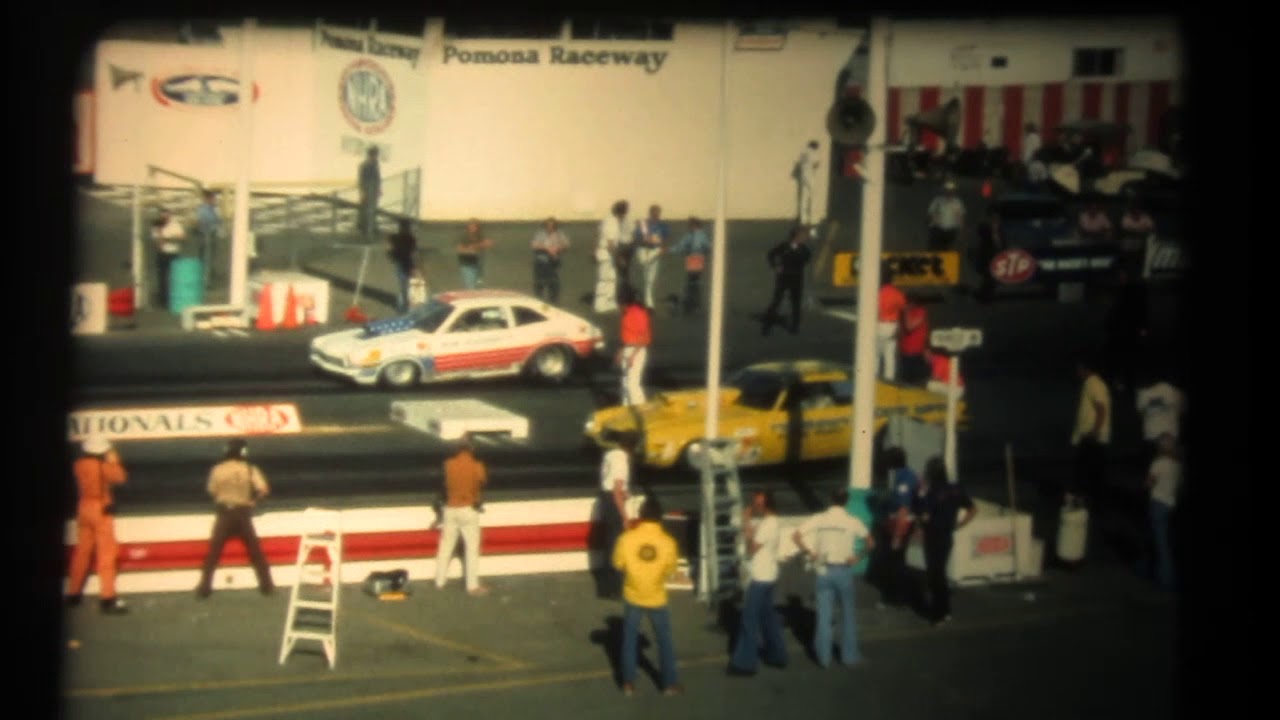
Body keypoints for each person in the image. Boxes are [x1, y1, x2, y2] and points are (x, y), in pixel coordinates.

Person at [792, 488, 873, 668]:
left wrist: (810, 552)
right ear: (846, 501)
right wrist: (858, 557)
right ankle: (849, 656)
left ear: (830, 499)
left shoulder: (820, 519)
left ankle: (824, 658)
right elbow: (870, 542)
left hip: (824, 570)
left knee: (823, 615)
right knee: (848, 614)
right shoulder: (852, 521)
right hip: (843, 569)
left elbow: (796, 536)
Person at [612, 494, 683, 696]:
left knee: (629, 638)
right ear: (659, 518)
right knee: (664, 640)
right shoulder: (668, 542)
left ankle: (628, 683)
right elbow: (671, 571)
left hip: (633, 594)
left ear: (640, 516)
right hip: (656, 597)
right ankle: (669, 684)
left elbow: (618, 564)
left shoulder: (626, 539)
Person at [195, 438, 276, 599]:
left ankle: (204, 588)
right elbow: (264, 489)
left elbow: (212, 491)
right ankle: (267, 586)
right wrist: (252, 501)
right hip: (243, 513)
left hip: (224, 513)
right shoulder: (250, 469)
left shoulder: (217, 469)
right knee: (255, 552)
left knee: (213, 553)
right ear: (243, 452)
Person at [66, 437, 130, 614]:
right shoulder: (104, 467)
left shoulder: (78, 465)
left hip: (83, 507)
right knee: (107, 554)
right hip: (101, 509)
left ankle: (73, 593)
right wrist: (115, 461)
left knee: (82, 552)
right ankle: (107, 598)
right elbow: (121, 477)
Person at [728, 490, 788, 676]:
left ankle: (745, 663)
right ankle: (777, 655)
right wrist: (750, 529)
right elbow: (756, 540)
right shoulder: (772, 522)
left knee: (749, 619)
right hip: (769, 574)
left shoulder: (768, 524)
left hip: (761, 577)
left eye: (757, 503)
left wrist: (746, 522)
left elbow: (751, 548)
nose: (755, 506)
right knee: (768, 617)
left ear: (765, 504)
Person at [911, 456, 976, 626]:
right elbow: (973, 509)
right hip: (947, 535)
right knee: (940, 573)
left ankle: (938, 613)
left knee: (935, 574)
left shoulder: (931, 491)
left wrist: (919, 495)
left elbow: (923, 514)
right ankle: (945, 610)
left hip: (933, 535)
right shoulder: (955, 489)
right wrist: (960, 524)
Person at [435, 433, 490, 596]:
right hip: (468, 509)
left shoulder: (448, 464)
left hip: (450, 508)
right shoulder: (477, 466)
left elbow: (443, 486)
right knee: (471, 549)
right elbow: (482, 483)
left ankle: (439, 581)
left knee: (445, 547)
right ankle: (472, 585)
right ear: (472, 448)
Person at [595, 430, 637, 599]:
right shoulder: (622, 461)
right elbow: (616, 491)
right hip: (614, 504)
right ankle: (616, 589)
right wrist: (625, 517)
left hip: (605, 499)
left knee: (610, 545)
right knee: (617, 547)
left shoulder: (611, 455)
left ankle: (607, 587)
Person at [876, 447, 919, 609]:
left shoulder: (904, 479)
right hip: (899, 524)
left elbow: (903, 509)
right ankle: (897, 596)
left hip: (899, 526)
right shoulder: (906, 474)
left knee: (895, 562)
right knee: (896, 561)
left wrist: (897, 536)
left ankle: (895, 597)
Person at [1069, 356, 1112, 511]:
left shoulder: (1093, 383)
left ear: (1084, 368)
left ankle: (1086, 507)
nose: (1078, 372)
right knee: (1092, 474)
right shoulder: (1093, 384)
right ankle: (1091, 506)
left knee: (1086, 475)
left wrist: (1095, 431)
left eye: (1079, 369)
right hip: (1091, 437)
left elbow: (1101, 408)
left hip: (1092, 438)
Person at [1143, 433, 1182, 591]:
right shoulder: (1177, 464)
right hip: (1170, 504)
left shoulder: (1158, 463)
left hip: (1158, 504)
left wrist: (1146, 483)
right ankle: (1146, 567)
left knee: (1160, 541)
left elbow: (1148, 484)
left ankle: (1165, 577)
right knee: (1156, 537)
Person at [761, 226, 812, 336]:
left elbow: (807, 258)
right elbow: (771, 254)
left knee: (796, 303)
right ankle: (767, 326)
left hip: (797, 277)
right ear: (796, 236)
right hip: (784, 277)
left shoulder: (803, 249)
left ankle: (795, 327)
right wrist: (775, 266)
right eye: (802, 236)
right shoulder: (784, 246)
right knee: (777, 300)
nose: (804, 238)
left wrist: (801, 263)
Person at [1103, 268, 1148, 393]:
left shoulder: (1131, 291)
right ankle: (1121, 381)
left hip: (1125, 330)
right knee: (1121, 357)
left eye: (1123, 275)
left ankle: (1124, 382)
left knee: (1126, 358)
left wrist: (1142, 327)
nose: (1121, 278)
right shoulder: (1124, 291)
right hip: (1121, 330)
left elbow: (1139, 310)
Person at [670, 217, 712, 316]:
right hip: (698, 259)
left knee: (691, 282)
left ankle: (692, 305)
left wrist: (670, 250)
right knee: (695, 282)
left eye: (690, 225)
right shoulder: (702, 235)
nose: (689, 227)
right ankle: (695, 304)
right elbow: (708, 247)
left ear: (694, 225)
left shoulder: (691, 235)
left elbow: (681, 246)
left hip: (693, 259)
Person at [618, 287, 652, 406]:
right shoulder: (626, 313)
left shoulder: (638, 313)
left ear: (624, 302)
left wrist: (633, 355)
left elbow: (643, 338)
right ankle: (626, 409)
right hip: (628, 349)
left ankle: (641, 410)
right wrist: (622, 350)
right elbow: (627, 335)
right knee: (625, 382)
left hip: (637, 351)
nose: (618, 307)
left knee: (633, 384)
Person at [594, 200, 630, 314]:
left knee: (612, 279)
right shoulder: (612, 223)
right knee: (604, 279)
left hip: (607, 254)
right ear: (622, 212)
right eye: (625, 212)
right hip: (607, 254)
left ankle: (609, 303)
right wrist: (619, 258)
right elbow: (610, 244)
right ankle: (600, 305)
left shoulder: (609, 220)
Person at [632, 204, 669, 309]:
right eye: (655, 212)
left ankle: (648, 299)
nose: (657, 214)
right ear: (651, 212)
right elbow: (636, 238)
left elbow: (665, 238)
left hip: (655, 250)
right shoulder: (643, 224)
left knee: (650, 278)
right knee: (644, 263)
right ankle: (645, 297)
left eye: (658, 212)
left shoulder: (663, 225)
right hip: (643, 250)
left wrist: (663, 247)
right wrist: (646, 240)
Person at [151, 208, 187, 308]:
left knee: (174, 277)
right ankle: (163, 300)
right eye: (163, 215)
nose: (165, 217)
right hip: (162, 254)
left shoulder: (175, 225)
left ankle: (174, 298)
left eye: (166, 215)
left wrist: (167, 239)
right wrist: (161, 235)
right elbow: (158, 242)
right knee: (162, 278)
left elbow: (182, 237)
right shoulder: (157, 226)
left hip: (173, 253)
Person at [877, 264, 907, 380]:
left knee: (875, 356)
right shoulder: (897, 293)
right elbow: (903, 311)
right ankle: (889, 381)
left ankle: (874, 379)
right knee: (890, 356)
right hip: (892, 326)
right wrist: (900, 328)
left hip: (878, 324)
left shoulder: (877, 293)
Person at [531, 217, 570, 305]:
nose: (550, 228)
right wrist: (547, 249)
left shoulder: (559, 234)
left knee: (553, 284)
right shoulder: (540, 234)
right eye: (548, 226)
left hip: (553, 262)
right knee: (539, 284)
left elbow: (566, 245)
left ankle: (554, 302)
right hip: (541, 261)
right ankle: (538, 301)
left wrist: (558, 248)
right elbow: (534, 246)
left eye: (552, 226)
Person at [387, 219, 419, 314]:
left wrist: (392, 256)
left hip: (400, 262)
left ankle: (403, 307)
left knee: (403, 286)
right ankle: (407, 306)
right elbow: (414, 252)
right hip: (408, 262)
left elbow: (389, 250)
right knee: (409, 286)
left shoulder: (394, 237)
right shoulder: (411, 238)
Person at [898, 292, 930, 384]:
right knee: (905, 380)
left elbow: (910, 326)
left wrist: (906, 312)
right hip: (905, 351)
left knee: (916, 380)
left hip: (917, 352)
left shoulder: (921, 312)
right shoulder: (904, 314)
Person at [195, 190, 224, 289]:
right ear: (207, 199)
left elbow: (219, 221)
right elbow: (204, 222)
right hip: (206, 235)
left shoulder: (213, 209)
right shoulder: (204, 210)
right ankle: (204, 281)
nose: (214, 200)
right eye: (213, 198)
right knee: (206, 258)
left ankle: (207, 280)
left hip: (212, 234)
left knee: (210, 258)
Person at [974, 204, 1002, 301]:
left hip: (996, 254)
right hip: (986, 254)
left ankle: (988, 294)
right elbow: (980, 239)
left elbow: (1000, 242)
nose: (996, 218)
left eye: (997, 217)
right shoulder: (984, 226)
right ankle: (985, 295)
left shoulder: (1000, 227)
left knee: (992, 276)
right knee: (987, 275)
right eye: (994, 216)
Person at [1118, 201, 1155, 275]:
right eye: (1135, 209)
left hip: (1143, 247)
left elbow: (1151, 230)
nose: (1137, 211)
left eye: (1138, 209)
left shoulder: (1146, 217)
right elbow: (1126, 230)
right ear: (1132, 210)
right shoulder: (1126, 217)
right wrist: (1141, 231)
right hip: (1128, 247)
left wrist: (1136, 231)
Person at [927, 180, 965, 250]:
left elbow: (961, 217)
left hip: (951, 231)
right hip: (937, 230)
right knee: (935, 250)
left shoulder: (957, 203)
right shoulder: (937, 200)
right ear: (944, 191)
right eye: (947, 190)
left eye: (951, 190)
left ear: (953, 191)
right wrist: (932, 226)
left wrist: (961, 233)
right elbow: (930, 213)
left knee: (948, 251)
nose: (949, 192)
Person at [792, 139, 821, 231]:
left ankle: (803, 219)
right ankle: (812, 219)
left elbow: (799, 164)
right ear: (815, 146)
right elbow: (816, 164)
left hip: (802, 176)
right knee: (813, 196)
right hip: (810, 176)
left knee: (803, 197)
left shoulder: (803, 153)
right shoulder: (813, 153)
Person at [456, 219, 493, 290]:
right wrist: (475, 248)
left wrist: (477, 247)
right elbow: (460, 249)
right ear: (468, 227)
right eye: (472, 226)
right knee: (470, 286)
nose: (473, 228)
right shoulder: (464, 237)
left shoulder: (479, 236)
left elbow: (488, 243)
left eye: (475, 226)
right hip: (466, 264)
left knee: (479, 284)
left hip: (478, 263)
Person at [358, 147, 381, 240]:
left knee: (372, 211)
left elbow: (377, 178)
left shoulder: (375, 164)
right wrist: (363, 192)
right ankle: (367, 233)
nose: (376, 156)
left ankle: (370, 231)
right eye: (375, 154)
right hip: (368, 190)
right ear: (371, 155)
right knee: (367, 212)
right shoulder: (365, 165)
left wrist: (379, 189)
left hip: (373, 190)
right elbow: (362, 180)